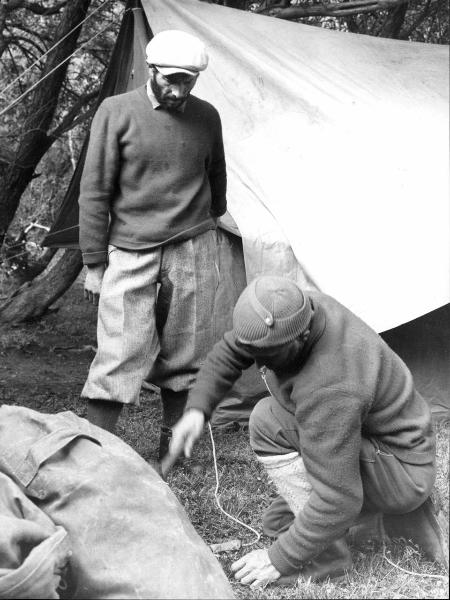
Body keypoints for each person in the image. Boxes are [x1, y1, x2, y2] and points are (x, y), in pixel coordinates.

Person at [171, 276, 448, 588]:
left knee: (267, 422)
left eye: (268, 355)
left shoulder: (331, 384)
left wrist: (280, 559)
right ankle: (368, 522)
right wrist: (198, 408)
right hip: (379, 443)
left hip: (401, 470)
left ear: (300, 338)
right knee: (280, 522)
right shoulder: (295, 309)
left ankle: (328, 559)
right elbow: (236, 348)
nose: (257, 362)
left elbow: (339, 500)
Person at [79, 30, 227, 458]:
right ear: (151, 70)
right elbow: (94, 190)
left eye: (189, 81)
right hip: (130, 249)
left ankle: (175, 452)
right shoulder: (116, 111)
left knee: (187, 350)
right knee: (119, 351)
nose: (179, 90)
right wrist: (93, 264)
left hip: (192, 246)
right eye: (171, 80)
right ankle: (96, 453)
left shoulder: (208, 116)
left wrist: (211, 217)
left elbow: (215, 173)